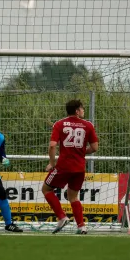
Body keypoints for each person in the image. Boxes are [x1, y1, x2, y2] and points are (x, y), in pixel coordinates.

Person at [42, 100, 99, 235]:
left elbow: (52, 145)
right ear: (77, 111)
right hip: (79, 167)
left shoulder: (59, 124)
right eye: (82, 109)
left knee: (46, 189)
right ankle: (81, 226)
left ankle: (62, 217)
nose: (83, 111)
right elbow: (95, 148)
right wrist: (78, 151)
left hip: (63, 166)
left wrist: (52, 163)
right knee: (73, 196)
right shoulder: (88, 125)